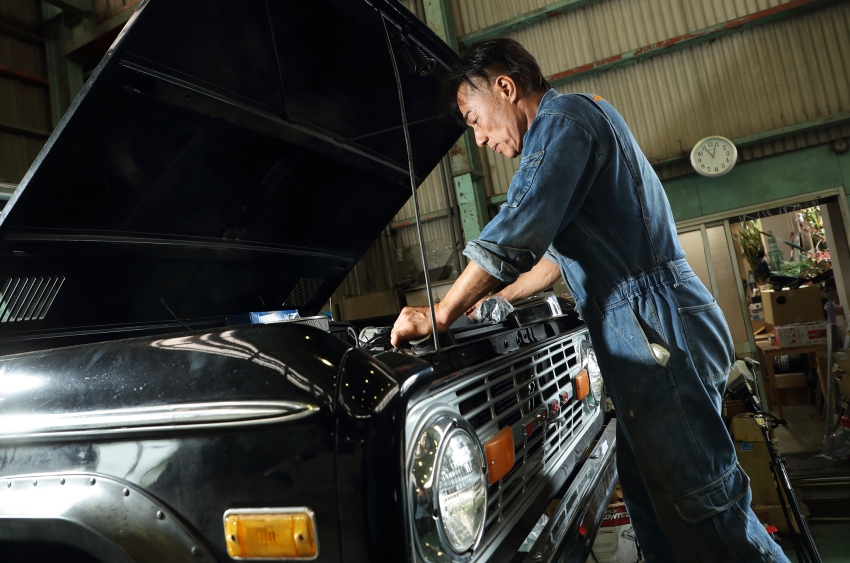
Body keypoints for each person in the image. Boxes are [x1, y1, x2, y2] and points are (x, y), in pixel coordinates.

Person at [391, 38, 788, 563]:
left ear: (505, 87)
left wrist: (440, 313)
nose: (480, 138)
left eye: (475, 119)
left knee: (705, 510)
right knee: (654, 508)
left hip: (653, 325)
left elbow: (515, 231)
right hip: (644, 330)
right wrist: (485, 302)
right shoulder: (579, 122)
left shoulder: (563, 123)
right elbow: (554, 261)